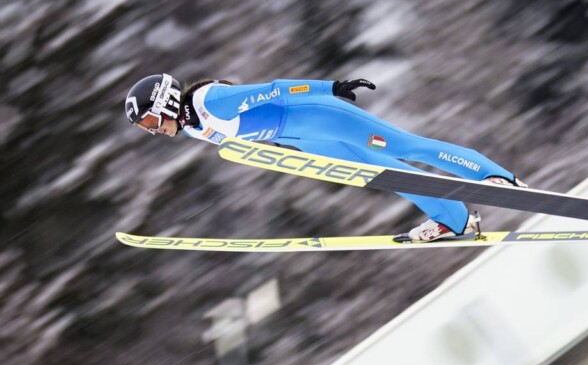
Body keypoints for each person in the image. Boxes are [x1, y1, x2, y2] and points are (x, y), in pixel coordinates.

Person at [124, 74, 526, 242]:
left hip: (323, 118)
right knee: (385, 174)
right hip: (307, 141)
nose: (153, 129)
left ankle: (494, 176)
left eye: (150, 120)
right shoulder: (192, 125)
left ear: (166, 101)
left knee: (404, 147)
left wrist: (331, 86)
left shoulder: (209, 100)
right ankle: (453, 219)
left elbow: (278, 89)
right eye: (145, 128)